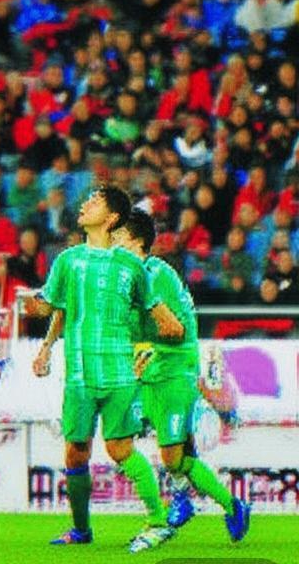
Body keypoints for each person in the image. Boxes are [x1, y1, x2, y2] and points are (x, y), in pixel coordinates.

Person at [24, 187, 185, 552]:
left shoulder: (131, 266)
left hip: (119, 375)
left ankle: (158, 522)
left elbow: (166, 321)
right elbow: (53, 307)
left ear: (111, 218)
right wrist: (39, 326)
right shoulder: (68, 260)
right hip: (79, 375)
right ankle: (81, 530)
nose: (84, 205)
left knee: (120, 448)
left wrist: (163, 342)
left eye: (94, 202)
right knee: (75, 452)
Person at [114, 209, 250, 542]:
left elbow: (175, 330)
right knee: (142, 445)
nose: (114, 242)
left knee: (173, 456)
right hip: (150, 371)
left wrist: (141, 345)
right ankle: (183, 498)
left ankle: (230, 505)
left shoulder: (155, 274)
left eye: (119, 236)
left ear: (136, 241)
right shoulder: (130, 276)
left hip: (175, 370)